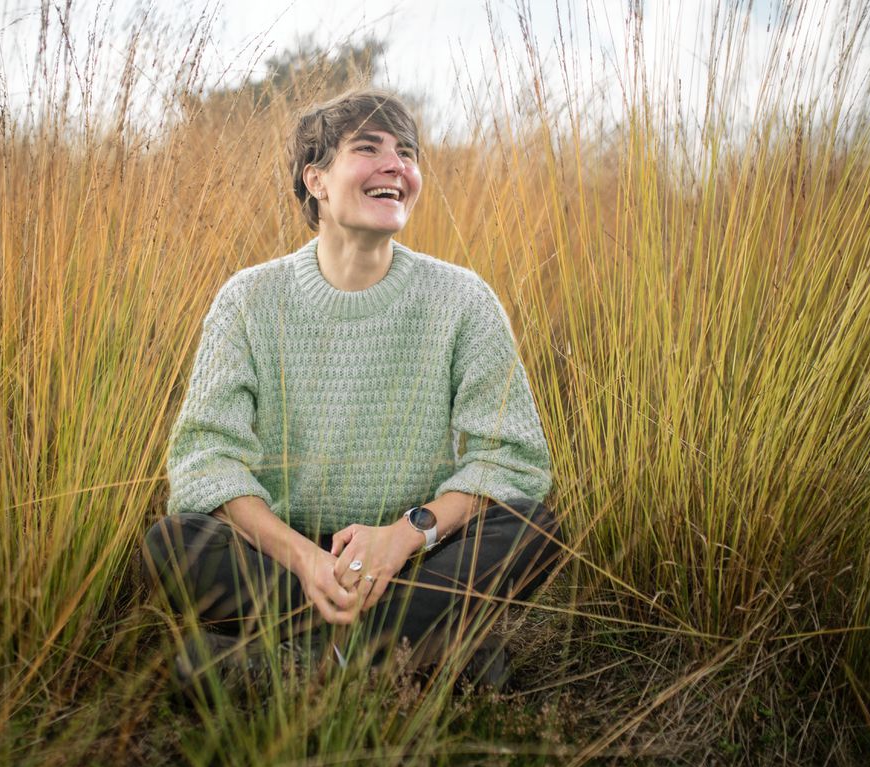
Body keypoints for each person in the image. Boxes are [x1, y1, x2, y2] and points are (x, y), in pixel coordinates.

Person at [141, 88, 565, 687]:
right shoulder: (249, 299)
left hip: (417, 551)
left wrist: (402, 536)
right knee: (174, 542)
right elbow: (205, 462)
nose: (398, 166)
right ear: (316, 179)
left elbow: (512, 460)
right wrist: (308, 560)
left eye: (408, 154)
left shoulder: (463, 300)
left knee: (531, 528)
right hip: (286, 556)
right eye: (370, 149)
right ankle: (415, 654)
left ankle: (297, 659)